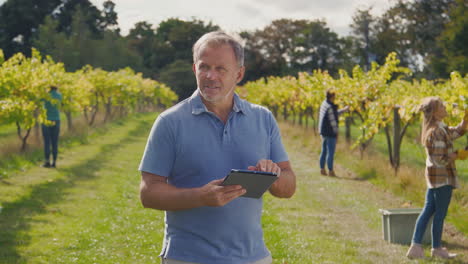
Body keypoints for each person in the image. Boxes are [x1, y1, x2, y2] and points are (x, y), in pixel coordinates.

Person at [138, 31, 296, 264]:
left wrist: (273, 176)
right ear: (194, 69)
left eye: (221, 69)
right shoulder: (170, 122)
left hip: (253, 258)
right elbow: (148, 193)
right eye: (204, 67)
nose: (210, 76)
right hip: (187, 258)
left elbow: (288, 187)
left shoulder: (263, 118)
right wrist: (200, 197)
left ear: (239, 73)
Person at [406, 97, 468, 259]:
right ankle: (436, 249)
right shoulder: (435, 132)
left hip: (435, 178)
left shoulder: (439, 128)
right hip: (442, 178)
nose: (445, 106)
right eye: (441, 105)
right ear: (434, 112)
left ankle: (417, 247)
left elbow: (454, 133)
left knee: (428, 211)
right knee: (439, 214)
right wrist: (459, 155)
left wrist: (464, 122)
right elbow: (440, 159)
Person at [317, 89, 349, 177]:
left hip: (323, 131)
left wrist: (343, 110)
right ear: (332, 96)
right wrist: (336, 133)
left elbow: (333, 114)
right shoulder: (330, 106)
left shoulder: (324, 103)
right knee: (330, 152)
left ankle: (322, 169)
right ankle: (331, 171)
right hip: (329, 132)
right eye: (334, 96)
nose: (335, 97)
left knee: (324, 150)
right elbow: (333, 121)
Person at [41, 85, 62, 168]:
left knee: (47, 142)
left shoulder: (46, 95)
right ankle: (54, 162)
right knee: (55, 142)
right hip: (56, 120)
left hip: (46, 120)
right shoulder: (59, 95)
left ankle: (47, 162)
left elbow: (38, 100)